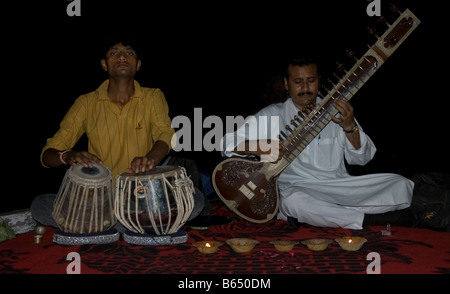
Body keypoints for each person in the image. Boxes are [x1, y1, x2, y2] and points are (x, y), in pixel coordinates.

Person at [220, 56, 416, 230]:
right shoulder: (272, 115)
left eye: (311, 81)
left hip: (339, 186)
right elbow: (225, 143)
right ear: (287, 84)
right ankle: (367, 219)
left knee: (401, 184)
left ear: (319, 82)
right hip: (300, 189)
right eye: (298, 82)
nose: (305, 88)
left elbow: (362, 159)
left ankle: (328, 214)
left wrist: (350, 127)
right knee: (292, 202)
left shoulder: (337, 110)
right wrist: (257, 146)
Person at [31, 37, 205, 232]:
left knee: (196, 198)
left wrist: (150, 159)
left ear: (138, 65)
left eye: (129, 53)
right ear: (104, 65)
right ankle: (132, 225)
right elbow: (47, 156)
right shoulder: (86, 103)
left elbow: (166, 134)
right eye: (114, 53)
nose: (122, 57)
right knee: (40, 204)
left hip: (141, 195)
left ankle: (106, 226)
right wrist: (68, 155)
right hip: (99, 198)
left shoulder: (152, 96)